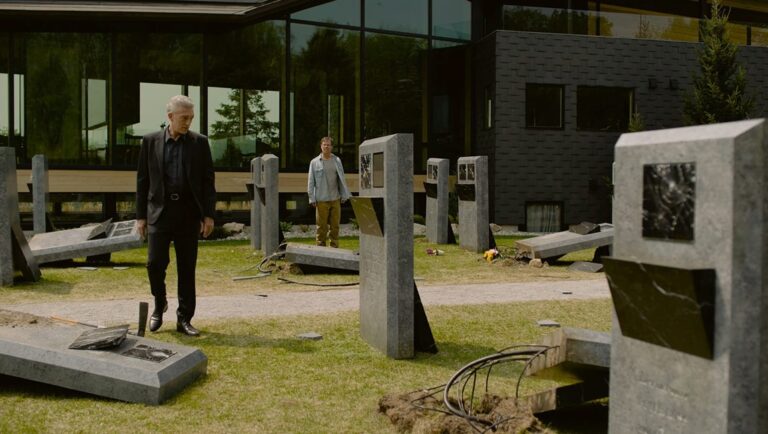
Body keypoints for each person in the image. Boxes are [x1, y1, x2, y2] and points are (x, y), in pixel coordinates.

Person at [136, 95, 215, 337]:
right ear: (170, 117)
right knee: (154, 264)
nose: (188, 122)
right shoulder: (150, 142)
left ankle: (184, 319)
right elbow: (142, 181)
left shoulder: (200, 143)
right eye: (184, 118)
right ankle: (160, 304)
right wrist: (141, 217)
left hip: (188, 215)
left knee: (186, 268)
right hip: (159, 213)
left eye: (191, 118)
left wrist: (208, 215)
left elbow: (207, 181)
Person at [307, 136, 351, 248]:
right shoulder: (314, 162)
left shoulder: (337, 160)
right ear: (321, 146)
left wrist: (344, 194)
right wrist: (311, 198)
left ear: (332, 147)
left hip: (335, 198)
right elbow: (311, 181)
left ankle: (334, 249)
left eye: (328, 145)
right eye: (324, 144)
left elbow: (341, 178)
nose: (326, 146)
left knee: (335, 226)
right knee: (321, 227)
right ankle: (320, 249)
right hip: (321, 199)